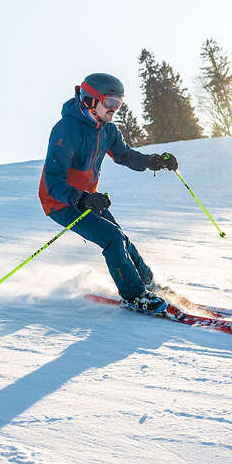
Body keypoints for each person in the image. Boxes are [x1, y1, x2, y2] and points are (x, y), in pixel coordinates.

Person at [38, 72, 178, 313]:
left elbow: (125, 155)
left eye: (119, 103)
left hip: (87, 199)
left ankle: (147, 282)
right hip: (60, 202)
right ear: (91, 100)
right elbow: (53, 181)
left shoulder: (108, 130)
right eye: (111, 102)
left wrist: (153, 161)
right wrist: (81, 198)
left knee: (121, 237)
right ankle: (135, 296)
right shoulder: (66, 130)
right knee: (111, 238)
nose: (115, 109)